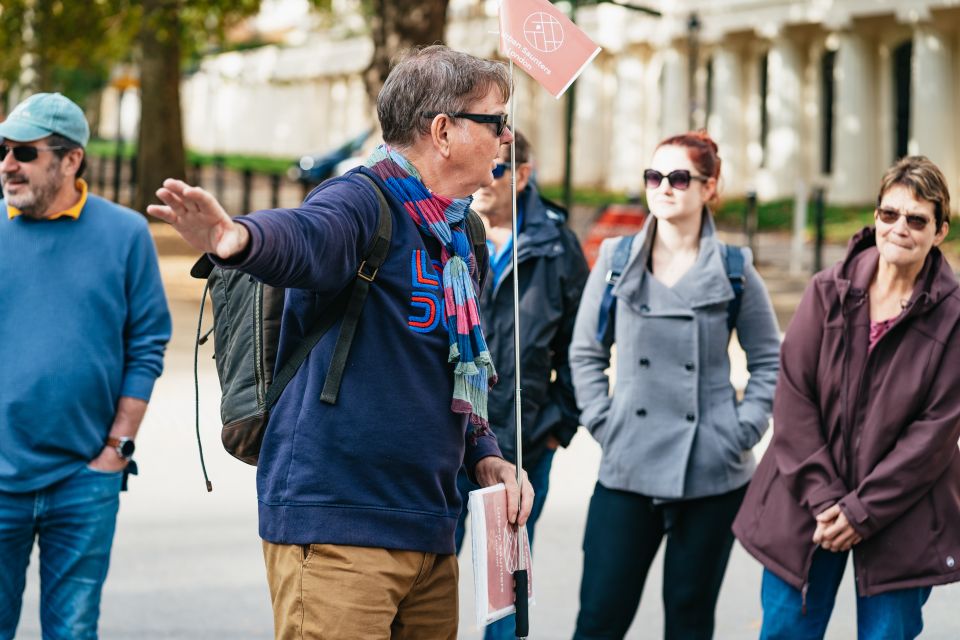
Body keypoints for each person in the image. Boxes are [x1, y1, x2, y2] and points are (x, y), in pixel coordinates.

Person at [148, 45, 534, 639]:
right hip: (339, 530)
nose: (508, 136)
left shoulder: (463, 234)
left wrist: (484, 450)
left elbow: (458, 365)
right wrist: (236, 238)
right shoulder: (359, 200)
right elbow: (305, 236)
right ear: (443, 131)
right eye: (496, 121)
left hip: (431, 528)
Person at [733, 155, 960, 639]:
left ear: (939, 232)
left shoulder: (954, 316)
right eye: (889, 213)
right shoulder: (826, 291)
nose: (900, 227)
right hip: (807, 503)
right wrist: (827, 500)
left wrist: (863, 511)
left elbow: (937, 431)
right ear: (875, 216)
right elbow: (794, 398)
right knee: (785, 632)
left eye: (917, 219)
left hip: (902, 510)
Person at [568, 130, 781, 639]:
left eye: (679, 177)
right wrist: (606, 422)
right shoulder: (618, 260)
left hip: (710, 474)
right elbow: (585, 352)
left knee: (689, 621)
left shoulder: (735, 269)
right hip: (627, 464)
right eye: (654, 176)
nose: (663, 187)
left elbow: (769, 360)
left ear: (710, 188)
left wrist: (742, 429)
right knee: (600, 615)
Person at [0, 92, 172, 638]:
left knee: (73, 631)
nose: (7, 164)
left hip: (84, 480)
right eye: (2, 150)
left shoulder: (124, 235)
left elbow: (148, 342)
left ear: (70, 159)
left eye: (24, 152)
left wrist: (117, 448)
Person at [454, 130, 589, 638]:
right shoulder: (447, 229)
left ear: (524, 174)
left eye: (499, 167)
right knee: (432, 579)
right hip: (446, 440)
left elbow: (582, 344)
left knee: (504, 591)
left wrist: (555, 426)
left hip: (522, 445)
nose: (485, 177)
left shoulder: (556, 245)